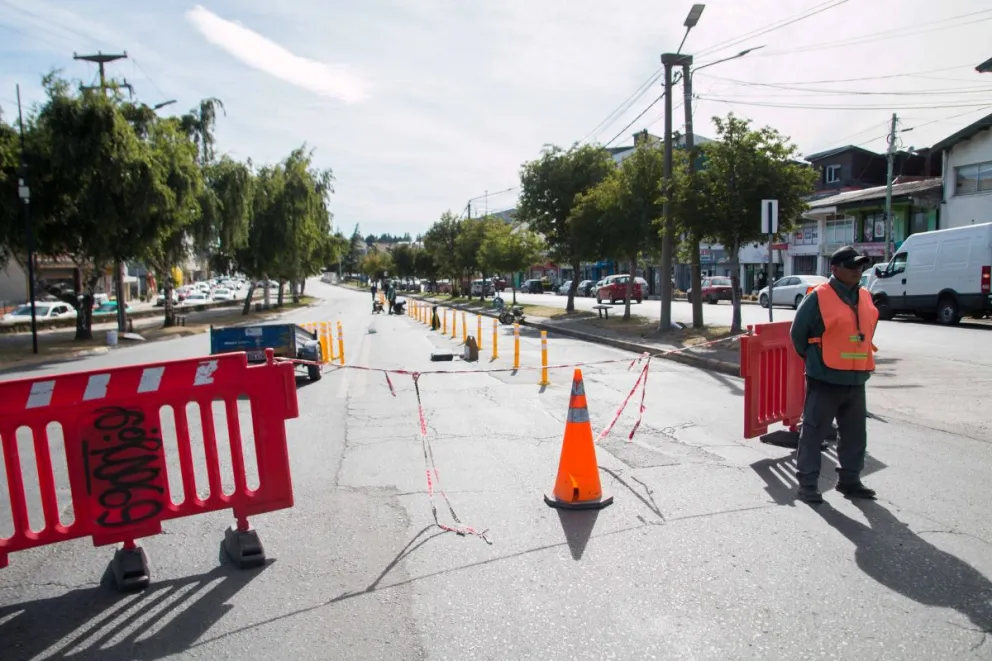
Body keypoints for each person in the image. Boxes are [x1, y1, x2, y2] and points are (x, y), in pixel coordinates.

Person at [789, 246, 879, 504]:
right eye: (851, 266)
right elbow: (798, 333)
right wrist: (815, 360)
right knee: (814, 432)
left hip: (856, 378)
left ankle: (850, 481)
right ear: (835, 268)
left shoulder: (865, 296)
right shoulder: (819, 296)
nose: (857, 270)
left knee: (855, 435)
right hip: (825, 378)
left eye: (860, 266)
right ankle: (808, 485)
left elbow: (868, 330)